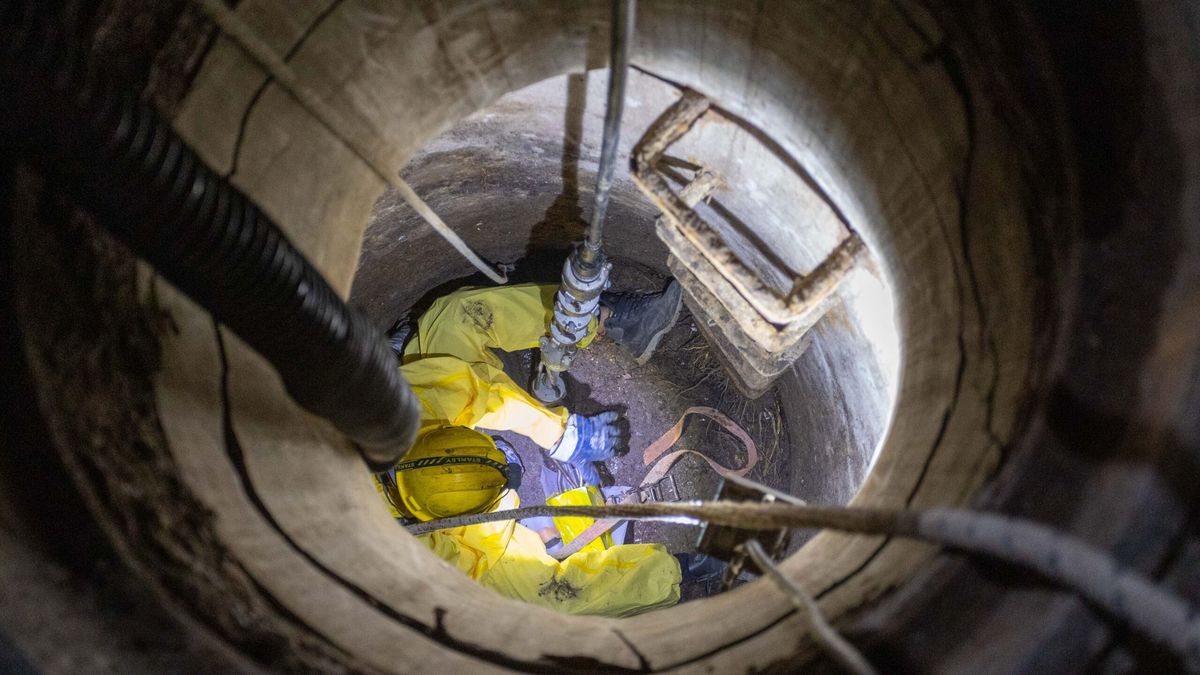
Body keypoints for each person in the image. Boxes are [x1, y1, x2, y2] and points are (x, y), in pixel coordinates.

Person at [374, 280, 685, 617]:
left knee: (455, 318)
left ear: (433, 437)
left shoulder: (389, 418)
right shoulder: (407, 551)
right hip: (451, 543)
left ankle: (597, 318)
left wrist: (561, 434)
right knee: (549, 600)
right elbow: (467, 565)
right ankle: (685, 571)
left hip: (408, 422)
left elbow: (478, 394)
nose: (507, 462)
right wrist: (519, 528)